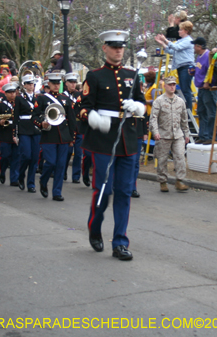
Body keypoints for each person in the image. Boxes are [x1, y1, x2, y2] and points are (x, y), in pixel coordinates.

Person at [80, 30, 146, 261]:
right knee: (104, 191)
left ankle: (120, 243)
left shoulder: (133, 74)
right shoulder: (95, 76)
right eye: (114, 46)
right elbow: (84, 106)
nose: (119, 50)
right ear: (105, 48)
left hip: (127, 139)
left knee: (124, 193)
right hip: (104, 141)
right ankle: (95, 226)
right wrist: (93, 118)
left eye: (122, 46)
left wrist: (138, 107)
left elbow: (142, 103)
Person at [32, 72, 76, 201]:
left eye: (58, 83)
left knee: (61, 165)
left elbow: (72, 120)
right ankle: (43, 180)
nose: (56, 86)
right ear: (49, 84)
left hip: (63, 136)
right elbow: (34, 116)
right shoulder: (42, 98)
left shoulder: (65, 99)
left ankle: (57, 192)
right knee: (50, 162)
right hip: (49, 136)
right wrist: (41, 123)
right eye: (54, 83)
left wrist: (72, 137)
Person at [150, 75, 190, 192]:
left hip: (177, 135)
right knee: (162, 159)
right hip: (163, 134)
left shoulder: (180, 101)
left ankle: (179, 180)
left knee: (180, 157)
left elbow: (184, 119)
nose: (172, 87)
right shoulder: (159, 101)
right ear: (165, 86)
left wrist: (186, 133)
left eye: (174, 84)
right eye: (170, 85)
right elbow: (153, 118)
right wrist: (155, 132)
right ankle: (163, 181)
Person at [155, 21, 195, 110]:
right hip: (180, 67)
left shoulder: (188, 40)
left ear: (186, 31)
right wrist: (162, 43)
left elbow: (176, 47)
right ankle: (185, 108)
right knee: (183, 89)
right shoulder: (181, 41)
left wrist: (165, 40)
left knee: (185, 89)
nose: (178, 31)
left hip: (186, 67)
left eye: (180, 30)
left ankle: (188, 110)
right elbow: (171, 51)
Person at [15, 74, 41, 193]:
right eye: (29, 84)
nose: (32, 86)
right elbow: (16, 116)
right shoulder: (19, 98)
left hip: (36, 129)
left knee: (35, 157)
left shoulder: (38, 98)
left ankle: (31, 183)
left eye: (33, 84)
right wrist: (14, 133)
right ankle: (21, 175)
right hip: (24, 129)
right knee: (26, 155)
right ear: (24, 85)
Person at [0, 82, 19, 186]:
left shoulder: (19, 104)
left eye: (13, 92)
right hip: (5, 133)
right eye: (9, 93)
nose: (12, 94)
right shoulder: (1, 105)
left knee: (16, 156)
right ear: (5, 94)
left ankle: (14, 178)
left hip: (16, 132)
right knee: (5, 155)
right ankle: (2, 170)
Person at [193, 37, 214, 144]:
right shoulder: (198, 57)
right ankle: (203, 135)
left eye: (195, 45)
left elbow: (212, 70)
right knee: (201, 112)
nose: (193, 47)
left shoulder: (208, 55)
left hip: (208, 88)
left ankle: (211, 136)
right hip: (200, 89)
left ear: (199, 46)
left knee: (210, 113)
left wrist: (208, 82)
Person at [63, 73, 83, 184]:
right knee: (67, 152)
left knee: (79, 153)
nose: (73, 84)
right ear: (66, 83)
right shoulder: (62, 96)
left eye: (74, 82)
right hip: (68, 128)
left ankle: (76, 175)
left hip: (78, 127)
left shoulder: (79, 95)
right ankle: (63, 171)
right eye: (71, 82)